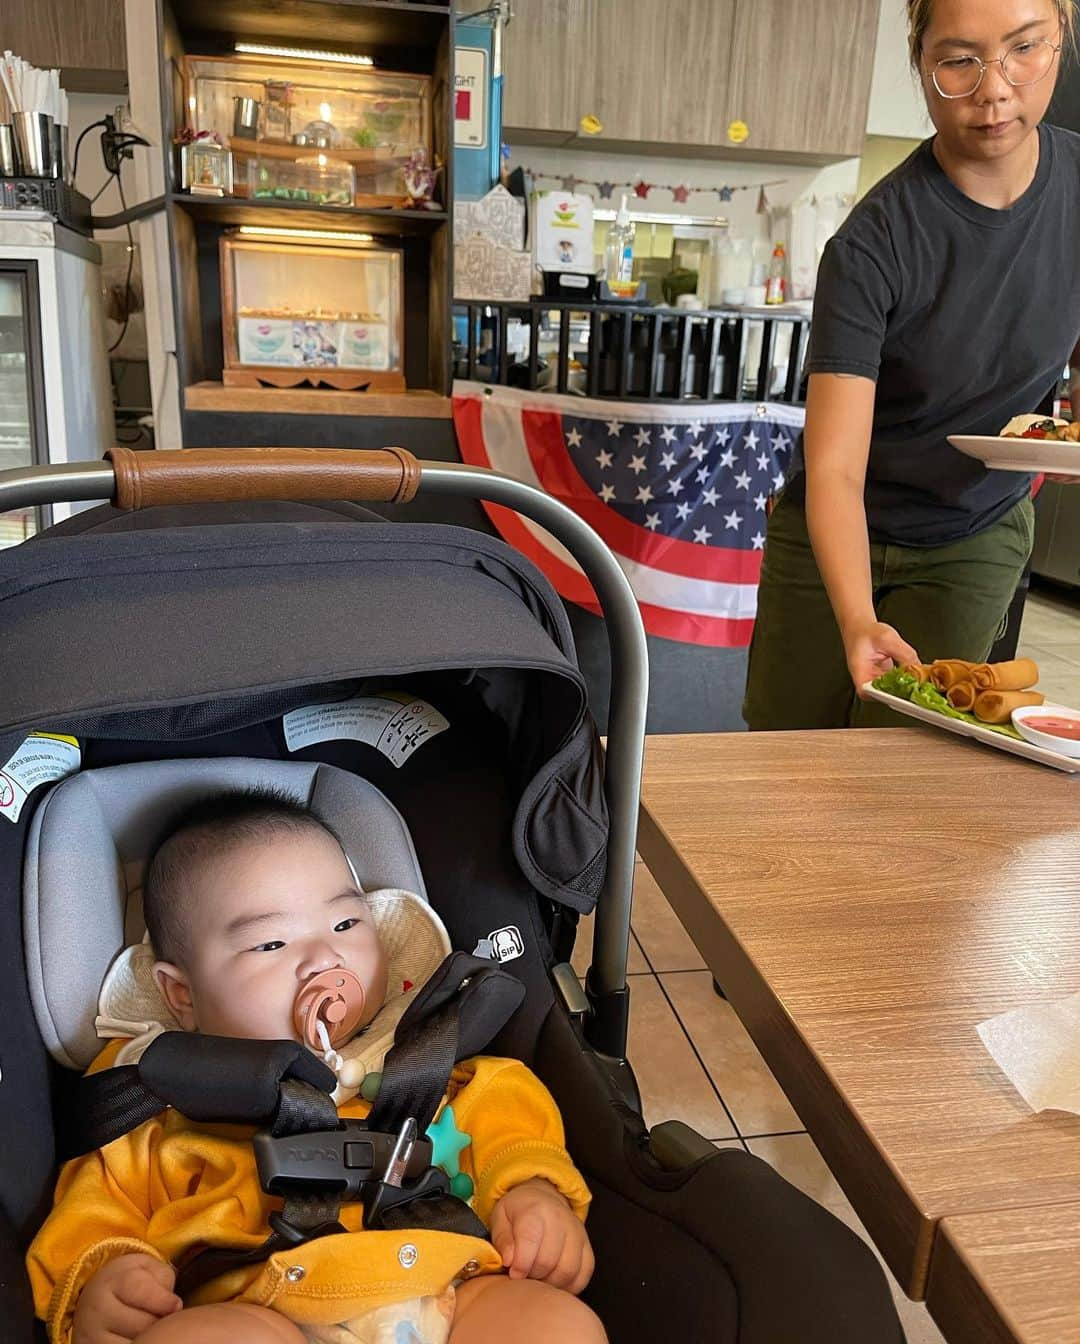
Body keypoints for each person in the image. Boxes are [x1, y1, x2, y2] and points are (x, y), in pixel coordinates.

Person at [27, 792, 604, 1344]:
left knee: (557, 1324)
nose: (324, 957)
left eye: (346, 925)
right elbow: (94, 1213)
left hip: (452, 1288)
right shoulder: (157, 1099)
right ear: (183, 997)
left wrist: (530, 1193)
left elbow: (509, 1112)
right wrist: (106, 1277)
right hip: (253, 1305)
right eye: (271, 944)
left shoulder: (428, 1053)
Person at [744, 0, 1080, 731]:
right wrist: (857, 618)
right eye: (959, 60)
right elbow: (833, 467)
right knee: (786, 750)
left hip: (974, 528)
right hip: (837, 525)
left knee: (913, 759)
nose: (994, 88)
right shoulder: (873, 242)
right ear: (920, 66)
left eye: (1025, 48)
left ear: (1063, 38)